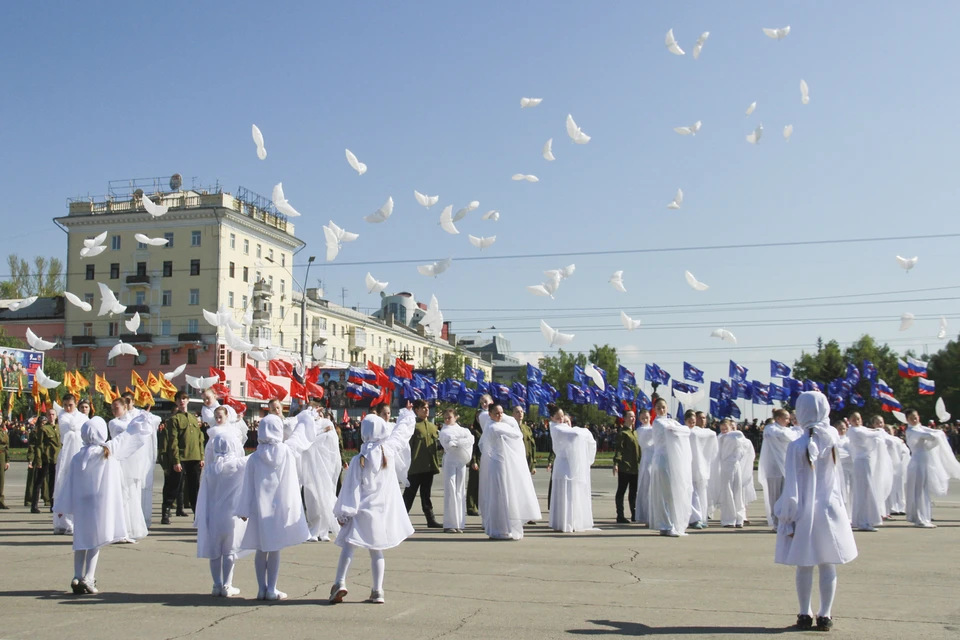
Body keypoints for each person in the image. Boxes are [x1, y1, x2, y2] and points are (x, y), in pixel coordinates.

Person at [774, 391, 857, 632]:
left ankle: (803, 612)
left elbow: (791, 487)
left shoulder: (796, 446)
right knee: (828, 561)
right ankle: (826, 613)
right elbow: (839, 479)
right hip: (830, 508)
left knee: (804, 563)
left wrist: (787, 517)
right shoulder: (832, 440)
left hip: (804, 510)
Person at [329, 404, 417, 605]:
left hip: (360, 512)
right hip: (380, 513)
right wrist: (407, 413)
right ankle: (378, 590)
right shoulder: (389, 450)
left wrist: (344, 513)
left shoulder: (359, 459)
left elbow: (350, 489)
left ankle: (340, 582)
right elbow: (403, 433)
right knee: (377, 551)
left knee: (349, 547)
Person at [56, 415, 150, 594]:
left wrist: (63, 505)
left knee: (80, 540)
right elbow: (125, 439)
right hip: (98, 503)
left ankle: (76, 576)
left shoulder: (78, 456)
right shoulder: (106, 452)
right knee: (95, 541)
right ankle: (89, 577)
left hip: (81, 504)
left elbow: (69, 482)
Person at [236, 412, 316, 601]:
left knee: (260, 549)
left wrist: (243, 510)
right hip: (278, 508)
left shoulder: (254, 458)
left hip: (258, 508)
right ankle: (272, 587)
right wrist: (305, 418)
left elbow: (247, 485)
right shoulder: (286, 452)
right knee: (274, 549)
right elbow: (298, 440)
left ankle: (261, 588)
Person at [195, 406, 248, 597]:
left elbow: (204, 494)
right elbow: (255, 459)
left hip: (213, 514)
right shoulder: (237, 465)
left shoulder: (210, 470)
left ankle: (216, 584)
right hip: (231, 515)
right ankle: (227, 584)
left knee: (215, 550)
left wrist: (201, 515)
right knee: (230, 551)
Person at [478, 403, 541, 540]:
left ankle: (505, 526)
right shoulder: (492, 426)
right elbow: (516, 434)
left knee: (505, 494)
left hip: (502, 462)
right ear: (490, 414)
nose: (500, 416)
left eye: (501, 413)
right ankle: (499, 528)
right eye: (496, 413)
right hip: (497, 463)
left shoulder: (498, 424)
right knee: (499, 495)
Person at [107, 398, 154, 542]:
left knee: (132, 494)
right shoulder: (114, 422)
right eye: (113, 408)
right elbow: (126, 431)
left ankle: (132, 528)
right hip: (119, 462)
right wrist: (138, 421)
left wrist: (143, 418)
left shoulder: (133, 420)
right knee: (121, 495)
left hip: (132, 463)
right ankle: (120, 529)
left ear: (125, 407)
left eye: (117, 408)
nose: (114, 411)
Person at [904, 408, 960, 528]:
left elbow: (931, 435)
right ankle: (920, 518)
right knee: (919, 491)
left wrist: (937, 432)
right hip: (917, 463)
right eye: (911, 418)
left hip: (923, 461)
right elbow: (929, 436)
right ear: (907, 420)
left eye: (916, 417)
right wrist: (937, 433)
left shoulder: (919, 428)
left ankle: (924, 516)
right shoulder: (911, 431)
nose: (914, 419)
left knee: (924, 490)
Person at [548, 406, 597, 533]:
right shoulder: (556, 428)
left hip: (568, 464)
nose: (561, 420)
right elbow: (575, 434)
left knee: (570, 494)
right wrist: (585, 431)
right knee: (564, 493)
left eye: (562, 417)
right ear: (552, 418)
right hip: (563, 464)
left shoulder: (562, 427)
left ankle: (571, 521)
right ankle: (564, 523)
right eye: (557, 418)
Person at [649, 397, 693, 537]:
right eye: (658, 408)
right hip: (662, 461)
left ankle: (670, 524)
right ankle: (666, 524)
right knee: (665, 493)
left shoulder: (671, 421)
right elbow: (676, 431)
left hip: (671, 461)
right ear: (655, 410)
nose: (662, 410)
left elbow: (685, 430)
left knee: (672, 493)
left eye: (663, 407)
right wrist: (681, 429)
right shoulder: (658, 423)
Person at [300, 399, 342, 542]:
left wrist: (320, 434)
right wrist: (321, 432)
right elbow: (305, 442)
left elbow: (331, 442)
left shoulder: (327, 423)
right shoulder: (305, 424)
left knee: (325, 497)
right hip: (309, 467)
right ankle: (313, 529)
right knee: (312, 498)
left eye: (315, 408)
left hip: (324, 467)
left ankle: (323, 531)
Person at [162, 391, 205, 524]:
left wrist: (202, 457)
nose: (182, 401)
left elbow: (200, 439)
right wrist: (176, 460)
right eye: (179, 399)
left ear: (188, 400)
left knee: (194, 488)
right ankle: (166, 512)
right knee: (174, 486)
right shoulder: (174, 420)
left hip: (195, 458)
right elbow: (172, 441)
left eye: (184, 399)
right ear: (176, 402)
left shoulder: (193, 419)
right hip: (181, 458)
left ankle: (197, 515)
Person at [846, 412, 893, 532]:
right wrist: (879, 431)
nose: (857, 421)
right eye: (854, 419)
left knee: (864, 491)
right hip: (861, 461)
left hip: (864, 461)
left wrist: (879, 431)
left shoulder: (860, 429)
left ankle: (860, 519)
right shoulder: (854, 431)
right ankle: (863, 521)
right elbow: (870, 434)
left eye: (858, 418)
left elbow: (870, 432)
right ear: (850, 421)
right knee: (864, 491)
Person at [758, 408, 801, 530]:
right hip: (773, 469)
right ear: (778, 419)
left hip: (786, 467)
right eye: (786, 418)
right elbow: (785, 435)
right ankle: (776, 523)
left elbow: (794, 436)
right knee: (775, 497)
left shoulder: (788, 430)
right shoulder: (770, 428)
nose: (789, 421)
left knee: (786, 495)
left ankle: (786, 520)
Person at [402, 399, 442, 529]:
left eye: (427, 407)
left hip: (428, 467)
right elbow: (406, 447)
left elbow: (437, 445)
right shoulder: (412, 426)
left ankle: (431, 520)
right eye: (423, 408)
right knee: (409, 495)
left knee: (426, 496)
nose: (426, 410)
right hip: (414, 467)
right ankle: (400, 519)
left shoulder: (432, 426)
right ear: (416, 410)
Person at [438, 408, 474, 533]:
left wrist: (459, 440)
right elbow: (448, 443)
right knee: (451, 489)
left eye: (450, 417)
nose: (447, 420)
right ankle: (449, 523)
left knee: (460, 490)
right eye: (445, 418)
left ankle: (459, 522)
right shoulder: (444, 430)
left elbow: (470, 439)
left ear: (455, 417)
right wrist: (460, 441)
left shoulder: (464, 430)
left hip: (461, 461)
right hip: (450, 460)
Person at [53, 394, 85, 534]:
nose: (67, 408)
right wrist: (78, 424)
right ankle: (62, 522)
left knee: (78, 487)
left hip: (79, 453)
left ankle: (75, 522)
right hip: (66, 455)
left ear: (75, 403)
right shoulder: (62, 416)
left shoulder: (82, 417)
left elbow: (84, 430)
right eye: (65, 405)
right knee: (63, 485)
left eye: (70, 405)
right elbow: (70, 427)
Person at [709, 419, 748, 527]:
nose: (724, 430)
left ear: (731, 427)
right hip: (725, 466)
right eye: (722, 428)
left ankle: (740, 518)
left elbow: (741, 438)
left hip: (736, 465)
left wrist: (731, 431)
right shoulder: (720, 437)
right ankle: (729, 519)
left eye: (726, 428)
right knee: (727, 493)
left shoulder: (735, 435)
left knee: (738, 492)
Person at [687, 409, 718, 530]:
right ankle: (694, 518)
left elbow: (711, 434)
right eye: (690, 421)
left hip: (701, 466)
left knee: (701, 493)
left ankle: (701, 517)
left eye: (694, 421)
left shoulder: (703, 432)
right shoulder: (688, 432)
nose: (692, 423)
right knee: (693, 493)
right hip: (690, 465)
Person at [466, 394, 492, 516]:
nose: (484, 405)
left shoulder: (491, 428)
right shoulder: (475, 432)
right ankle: (471, 507)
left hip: (489, 458)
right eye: (482, 403)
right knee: (474, 483)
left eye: (486, 402)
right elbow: (473, 449)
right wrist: (474, 461)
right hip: (478, 459)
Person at [612, 410, 640, 524]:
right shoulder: (623, 433)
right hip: (625, 467)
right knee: (621, 491)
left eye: (634, 416)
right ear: (625, 418)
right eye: (630, 416)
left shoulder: (635, 432)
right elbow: (619, 449)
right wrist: (616, 463)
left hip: (635, 467)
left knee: (633, 492)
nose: (633, 418)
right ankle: (620, 515)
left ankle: (634, 514)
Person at [31, 408, 60, 513]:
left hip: (56, 459)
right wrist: (38, 460)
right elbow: (39, 446)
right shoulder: (44, 429)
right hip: (45, 459)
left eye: (53, 414)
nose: (51, 416)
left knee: (53, 483)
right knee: (39, 482)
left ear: (56, 416)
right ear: (47, 416)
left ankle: (53, 506)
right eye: (49, 414)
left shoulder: (59, 428)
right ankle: (34, 505)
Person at [633, 409, 655, 526]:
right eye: (642, 417)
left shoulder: (654, 428)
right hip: (646, 460)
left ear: (650, 417)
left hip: (654, 458)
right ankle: (646, 516)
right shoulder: (640, 430)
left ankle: (653, 515)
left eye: (646, 417)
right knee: (646, 487)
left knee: (653, 488)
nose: (645, 419)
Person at [883, 425, 910, 517]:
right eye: (885, 429)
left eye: (889, 429)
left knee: (899, 488)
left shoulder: (898, 441)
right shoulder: (883, 440)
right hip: (888, 467)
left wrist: (903, 462)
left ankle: (901, 507)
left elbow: (906, 452)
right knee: (889, 488)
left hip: (898, 467)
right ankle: (891, 508)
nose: (887, 431)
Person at [0, 421, 8, 509]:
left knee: (1, 479)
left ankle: (1, 501)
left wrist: (7, 460)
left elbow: (6, 446)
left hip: (2, 455)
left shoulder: (3, 431)